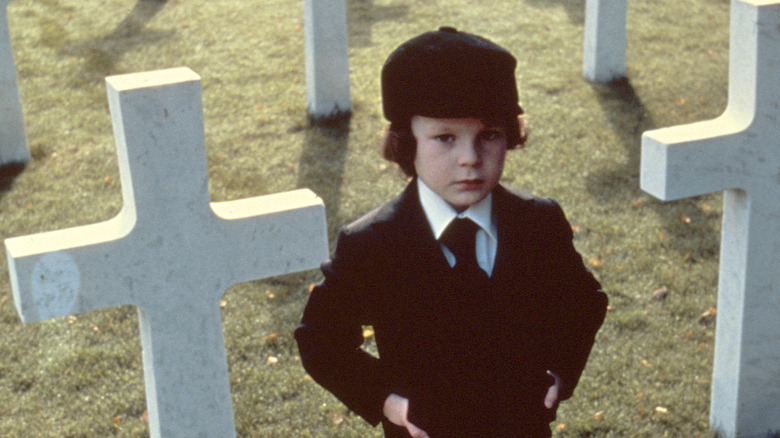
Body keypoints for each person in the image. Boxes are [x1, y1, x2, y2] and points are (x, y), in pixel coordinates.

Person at [295, 26, 608, 438]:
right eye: (445, 138)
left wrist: (560, 373)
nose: (470, 159)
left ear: (511, 137)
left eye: (489, 136)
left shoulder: (537, 223)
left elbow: (583, 302)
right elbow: (321, 342)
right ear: (406, 144)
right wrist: (390, 403)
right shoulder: (373, 244)